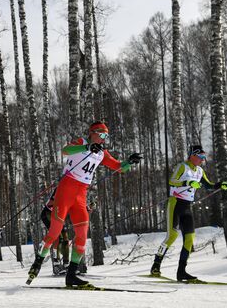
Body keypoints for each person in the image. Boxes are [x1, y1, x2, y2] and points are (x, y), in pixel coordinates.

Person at [27, 121, 142, 287]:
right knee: (55, 233)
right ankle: (37, 262)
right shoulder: (82, 143)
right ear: (92, 133)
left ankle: (71, 275)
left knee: (81, 235)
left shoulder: (102, 153)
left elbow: (119, 167)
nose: (104, 139)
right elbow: (66, 150)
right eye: (101, 134)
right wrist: (87, 148)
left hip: (81, 195)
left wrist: (129, 162)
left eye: (106, 136)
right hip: (65, 190)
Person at [150, 145, 227, 281]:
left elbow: (208, 185)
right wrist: (188, 182)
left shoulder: (199, 171)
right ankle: (156, 265)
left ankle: (181, 271)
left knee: (190, 238)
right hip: (175, 203)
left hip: (186, 207)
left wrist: (220, 185)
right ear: (192, 155)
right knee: (172, 236)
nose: (202, 160)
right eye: (200, 157)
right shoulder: (182, 166)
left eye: (204, 158)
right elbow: (172, 181)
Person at [40, 188, 70, 275]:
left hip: (58, 215)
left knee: (65, 239)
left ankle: (66, 264)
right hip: (48, 214)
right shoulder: (61, 188)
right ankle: (56, 264)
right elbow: (53, 203)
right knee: (58, 237)